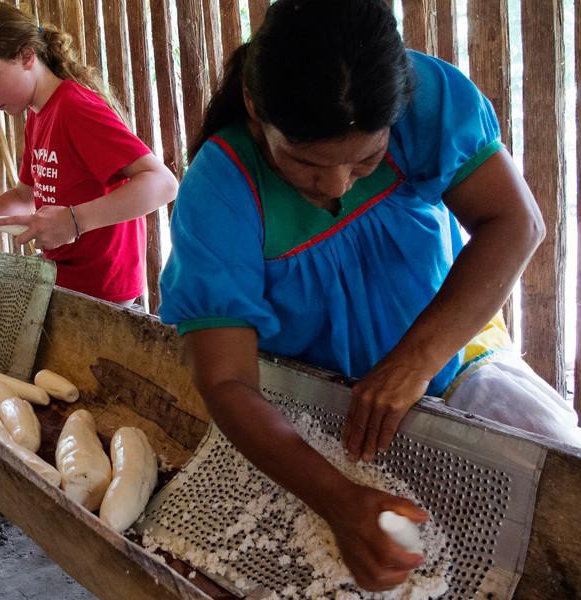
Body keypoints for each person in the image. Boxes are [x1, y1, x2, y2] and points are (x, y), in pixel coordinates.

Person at [158, 0, 581, 592]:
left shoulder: (423, 97)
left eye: (367, 158)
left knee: (562, 482)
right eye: (303, 162)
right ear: (256, 109)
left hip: (455, 361)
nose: (333, 185)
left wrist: (416, 361)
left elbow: (516, 223)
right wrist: (336, 498)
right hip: (319, 412)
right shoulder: (221, 186)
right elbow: (225, 380)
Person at [0, 1, 177, 477]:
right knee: (39, 390)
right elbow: (27, 193)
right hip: (65, 284)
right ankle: (8, 463)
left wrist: (76, 220)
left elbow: (161, 183)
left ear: (24, 56)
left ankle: (21, 472)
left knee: (88, 413)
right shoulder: (39, 113)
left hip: (106, 295)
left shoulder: (76, 108)